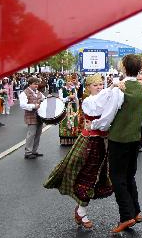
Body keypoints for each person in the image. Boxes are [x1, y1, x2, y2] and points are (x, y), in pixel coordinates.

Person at [44, 74, 113, 229]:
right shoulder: (89, 101)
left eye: (101, 85)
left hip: (103, 142)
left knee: (96, 176)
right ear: (88, 87)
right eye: (96, 85)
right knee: (86, 175)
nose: (100, 87)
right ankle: (82, 211)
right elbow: (99, 106)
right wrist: (112, 89)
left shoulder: (104, 98)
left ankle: (81, 210)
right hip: (90, 142)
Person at [91, 55, 142, 234]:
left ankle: (126, 216)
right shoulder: (139, 86)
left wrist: (95, 126)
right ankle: (136, 212)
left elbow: (107, 116)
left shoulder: (119, 90)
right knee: (129, 176)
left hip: (119, 138)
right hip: (134, 138)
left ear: (123, 67)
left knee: (117, 178)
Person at [19, 76, 45, 159]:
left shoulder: (39, 93)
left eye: (37, 84)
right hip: (31, 116)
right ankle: (28, 152)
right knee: (31, 134)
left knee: (38, 134)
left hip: (40, 116)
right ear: (30, 84)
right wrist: (34, 106)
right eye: (35, 84)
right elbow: (22, 105)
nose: (36, 85)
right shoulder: (24, 93)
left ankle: (34, 151)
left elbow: (44, 100)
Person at [58, 76, 80, 146]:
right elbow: (61, 99)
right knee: (65, 122)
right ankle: (65, 140)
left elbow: (76, 99)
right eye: (68, 81)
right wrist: (68, 97)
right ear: (66, 82)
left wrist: (78, 106)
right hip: (65, 108)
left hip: (73, 108)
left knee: (73, 122)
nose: (70, 83)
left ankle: (73, 140)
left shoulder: (74, 89)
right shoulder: (62, 89)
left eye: (71, 81)